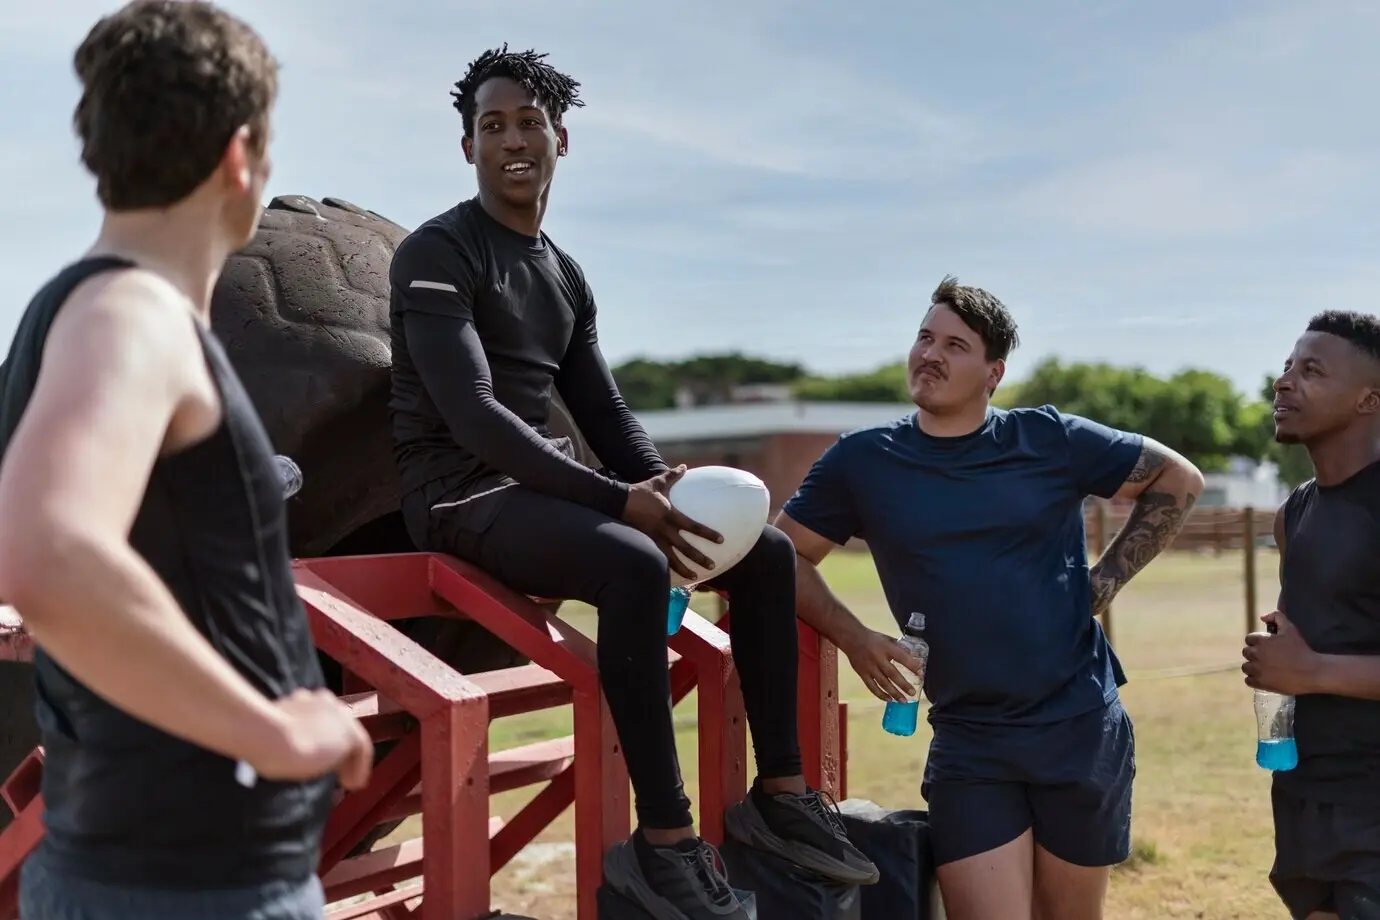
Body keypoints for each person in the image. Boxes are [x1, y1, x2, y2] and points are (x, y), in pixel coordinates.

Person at [385, 44, 877, 919]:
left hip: (537, 489)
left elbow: (603, 413)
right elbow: (475, 416)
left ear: (561, 139)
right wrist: (623, 503)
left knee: (759, 554)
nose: (512, 140)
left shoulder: (563, 273)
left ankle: (784, 796)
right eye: (491, 126)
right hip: (460, 495)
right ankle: (665, 841)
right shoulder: (436, 252)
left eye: (528, 122)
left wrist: (660, 481)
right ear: (468, 148)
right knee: (634, 563)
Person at [0, 3, 373, 918]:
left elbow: (81, 563)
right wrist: (275, 729)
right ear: (240, 156)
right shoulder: (133, 316)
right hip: (184, 890)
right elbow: (49, 552)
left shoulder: (77, 313)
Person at [775, 277, 1205, 920]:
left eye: (955, 344)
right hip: (970, 736)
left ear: (993, 372)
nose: (931, 354)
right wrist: (857, 639)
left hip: (1078, 723)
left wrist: (1102, 583)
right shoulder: (863, 460)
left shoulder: (1048, 438)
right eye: (924, 336)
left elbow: (1180, 477)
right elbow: (783, 557)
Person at [1242, 311, 1380, 920]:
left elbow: (1314, 664)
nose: (1284, 382)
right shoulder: (1294, 513)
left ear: (1368, 399)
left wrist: (1313, 669)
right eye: (1287, 367)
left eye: (1312, 370)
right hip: (1304, 791)